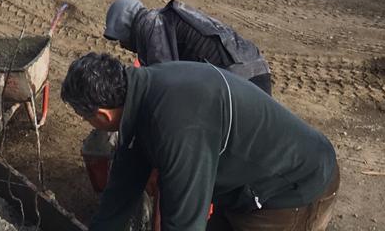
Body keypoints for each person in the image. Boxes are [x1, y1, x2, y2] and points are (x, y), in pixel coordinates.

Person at [62, 53, 340, 231]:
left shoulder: (173, 123)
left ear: (101, 115)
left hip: (293, 187)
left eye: (81, 115)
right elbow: (122, 187)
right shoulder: (140, 96)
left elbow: (184, 220)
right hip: (246, 186)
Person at [103, 0, 272, 94]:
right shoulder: (163, 18)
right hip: (254, 66)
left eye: (120, 39)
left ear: (126, 26)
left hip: (237, 77)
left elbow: (164, 80)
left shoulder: (152, 25)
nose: (122, 46)